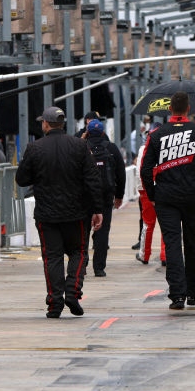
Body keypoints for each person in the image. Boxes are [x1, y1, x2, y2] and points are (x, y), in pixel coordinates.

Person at [16, 106, 104, 318]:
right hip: (77, 213)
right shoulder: (79, 146)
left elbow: (22, 179)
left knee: (52, 257)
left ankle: (55, 302)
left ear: (46, 124)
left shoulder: (34, 148)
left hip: (47, 214)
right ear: (62, 124)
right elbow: (93, 180)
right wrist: (97, 209)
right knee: (79, 252)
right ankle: (72, 291)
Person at [140, 92, 195, 310]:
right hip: (192, 196)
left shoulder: (156, 135)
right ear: (189, 108)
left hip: (166, 197)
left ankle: (177, 295)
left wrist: (153, 195)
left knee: (172, 242)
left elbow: (145, 169)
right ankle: (194, 291)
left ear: (169, 109)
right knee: (193, 242)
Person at [84, 119, 126, 278]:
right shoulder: (111, 148)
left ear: (87, 131)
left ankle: (82, 264)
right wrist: (119, 195)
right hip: (105, 196)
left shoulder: (82, 147)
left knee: (83, 232)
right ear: (103, 133)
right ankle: (99, 268)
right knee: (102, 231)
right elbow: (121, 173)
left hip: (85, 196)